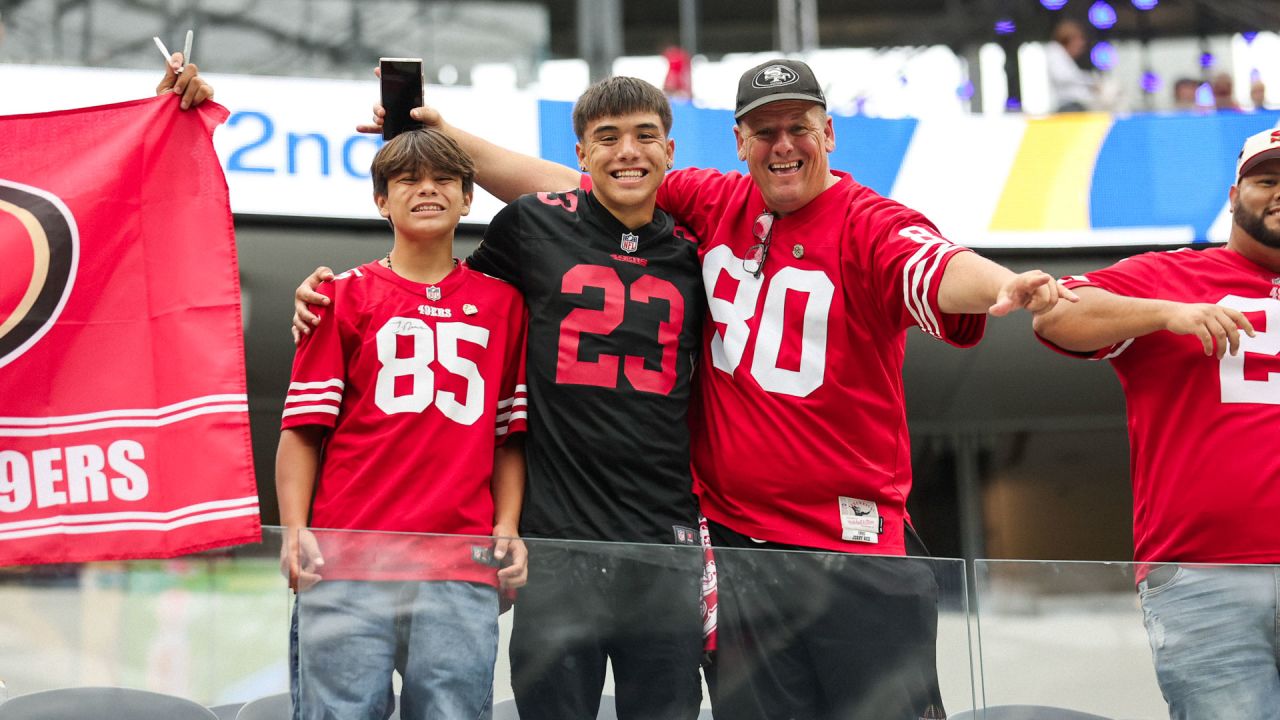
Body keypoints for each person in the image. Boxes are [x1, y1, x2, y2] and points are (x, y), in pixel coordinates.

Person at [294, 58, 1074, 719]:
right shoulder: (708, 205)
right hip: (702, 550)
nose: (783, 144)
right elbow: (567, 194)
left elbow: (934, 262)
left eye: (800, 127)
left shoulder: (853, 222)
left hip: (790, 550)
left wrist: (1010, 285)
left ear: (830, 135)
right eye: (765, 131)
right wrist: (428, 157)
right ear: (737, 143)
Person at [303, 77, 707, 720]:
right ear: (580, 153)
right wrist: (331, 294)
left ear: (670, 149)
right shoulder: (533, 223)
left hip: (665, 535)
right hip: (552, 534)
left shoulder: (702, 249)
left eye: (644, 137)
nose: (627, 150)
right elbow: (438, 292)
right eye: (607, 138)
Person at [276, 128, 530, 720]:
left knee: (453, 713)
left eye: (444, 179)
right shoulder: (339, 296)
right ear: (381, 201)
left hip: (459, 562)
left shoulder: (505, 304)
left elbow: (509, 437)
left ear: (469, 199)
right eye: (407, 181)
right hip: (348, 556)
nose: (427, 190)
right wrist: (295, 529)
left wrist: (508, 525)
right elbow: (302, 429)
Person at [1034, 128, 1280, 719]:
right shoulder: (1170, 276)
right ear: (1232, 194)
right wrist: (1167, 312)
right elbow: (1054, 315)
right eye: (1267, 181)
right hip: (1208, 576)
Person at [1046, 19, 1098, 113]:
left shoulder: (1063, 56)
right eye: (1079, 40)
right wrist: (1091, 82)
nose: (1081, 45)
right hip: (1066, 107)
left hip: (1075, 105)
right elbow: (1063, 77)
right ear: (1069, 39)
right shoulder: (1054, 51)